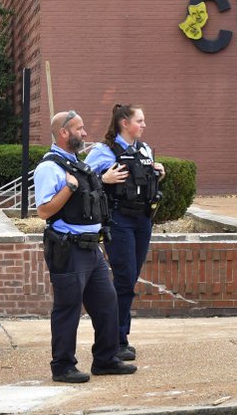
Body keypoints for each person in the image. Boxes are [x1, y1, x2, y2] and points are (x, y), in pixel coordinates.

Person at [34, 110, 138, 383]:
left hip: (92, 249)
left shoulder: (77, 164)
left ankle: (105, 359)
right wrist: (68, 188)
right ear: (64, 133)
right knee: (68, 308)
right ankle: (63, 366)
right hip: (68, 249)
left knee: (107, 303)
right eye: (79, 129)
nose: (84, 133)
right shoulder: (50, 168)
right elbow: (44, 211)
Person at [85, 104, 165, 362]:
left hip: (142, 220)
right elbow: (82, 180)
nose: (144, 125)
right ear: (124, 123)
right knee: (123, 280)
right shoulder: (104, 151)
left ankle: (120, 338)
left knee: (129, 281)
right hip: (120, 221)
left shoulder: (144, 150)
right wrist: (103, 179)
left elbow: (141, 182)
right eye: (140, 120)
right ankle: (115, 340)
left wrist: (157, 174)